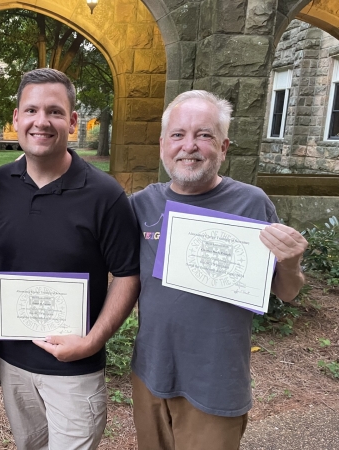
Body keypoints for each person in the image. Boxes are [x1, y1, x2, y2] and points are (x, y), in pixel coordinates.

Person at [129, 90, 308, 450]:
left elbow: (287, 292)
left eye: (204, 135)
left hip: (215, 381)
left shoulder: (251, 203)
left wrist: (290, 263)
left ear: (224, 147)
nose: (189, 146)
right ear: (163, 144)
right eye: (178, 135)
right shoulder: (141, 204)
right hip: (150, 372)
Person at [0, 68, 141, 450]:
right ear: (17, 118)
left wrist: (91, 342)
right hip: (14, 363)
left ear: (71, 122)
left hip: (75, 370)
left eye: (55, 111)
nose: (42, 121)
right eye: (32, 110)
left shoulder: (105, 195)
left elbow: (127, 274)